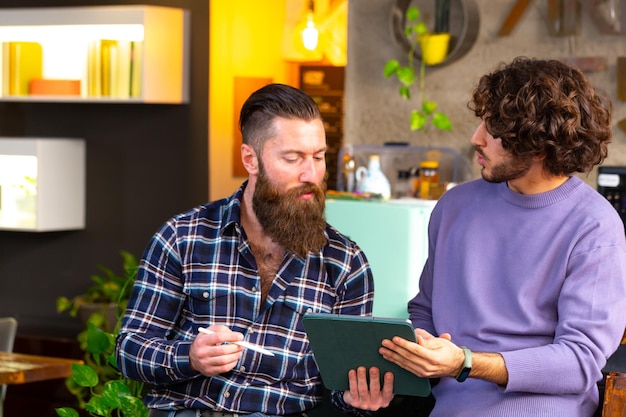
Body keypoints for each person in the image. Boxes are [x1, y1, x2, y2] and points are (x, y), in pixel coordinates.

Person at [115, 83, 393, 417]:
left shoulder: (345, 263)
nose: (311, 174)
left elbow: (341, 388)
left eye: (318, 157)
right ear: (251, 159)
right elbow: (129, 350)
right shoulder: (183, 237)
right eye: (293, 158)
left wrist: (358, 402)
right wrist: (189, 357)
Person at [379, 57, 626, 416]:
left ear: (540, 144)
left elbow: (579, 361)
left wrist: (465, 363)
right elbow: (425, 308)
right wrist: (421, 346)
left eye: (494, 130)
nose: (476, 138)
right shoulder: (454, 207)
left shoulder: (594, 225)